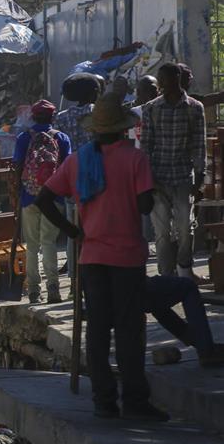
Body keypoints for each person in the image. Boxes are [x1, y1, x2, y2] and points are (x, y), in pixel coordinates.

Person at [35, 92, 168, 421]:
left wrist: (73, 231)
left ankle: (103, 400)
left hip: (91, 255)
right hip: (126, 257)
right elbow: (144, 207)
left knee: (97, 330)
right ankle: (135, 401)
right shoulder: (134, 158)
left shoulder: (80, 159)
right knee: (128, 331)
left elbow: (44, 199)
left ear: (95, 129)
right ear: (124, 129)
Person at [140, 62, 206, 279]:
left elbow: (199, 145)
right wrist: (147, 179)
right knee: (161, 233)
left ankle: (184, 270)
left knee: (186, 228)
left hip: (183, 177)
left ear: (177, 79)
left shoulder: (194, 108)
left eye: (165, 79)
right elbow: (146, 147)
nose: (161, 84)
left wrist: (199, 180)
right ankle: (166, 277)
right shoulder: (151, 109)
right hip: (158, 178)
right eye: (160, 80)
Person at [14, 99, 71, 304]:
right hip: (54, 197)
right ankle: (53, 289)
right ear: (53, 117)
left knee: (31, 245)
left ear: (33, 116)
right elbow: (66, 168)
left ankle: (34, 292)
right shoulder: (62, 138)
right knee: (49, 243)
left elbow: (18, 166)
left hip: (29, 196)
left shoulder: (23, 138)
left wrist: (19, 191)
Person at [55, 73, 103, 293]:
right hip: (96, 179)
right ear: (93, 93)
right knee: (95, 229)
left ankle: (74, 283)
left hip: (71, 178)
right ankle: (93, 277)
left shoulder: (62, 117)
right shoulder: (97, 114)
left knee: (74, 231)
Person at [145, 275, 224, 367]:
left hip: (128, 291)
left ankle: (195, 340)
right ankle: (205, 349)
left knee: (157, 299)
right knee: (187, 286)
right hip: (132, 285)